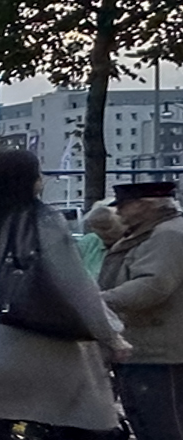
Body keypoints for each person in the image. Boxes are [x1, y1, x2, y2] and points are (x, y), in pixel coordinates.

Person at [0, 150, 131, 438]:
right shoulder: (40, 221)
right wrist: (110, 334)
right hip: (35, 341)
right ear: (31, 180)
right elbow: (76, 284)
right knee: (79, 414)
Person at [99, 181, 183, 440]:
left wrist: (100, 301)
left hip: (158, 352)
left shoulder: (167, 235)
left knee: (160, 425)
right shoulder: (155, 232)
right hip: (153, 347)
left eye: (124, 205)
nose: (119, 212)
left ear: (145, 205)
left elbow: (153, 286)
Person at [78, 203, 124, 280]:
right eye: (97, 228)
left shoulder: (134, 245)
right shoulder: (88, 242)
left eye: (107, 228)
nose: (103, 233)